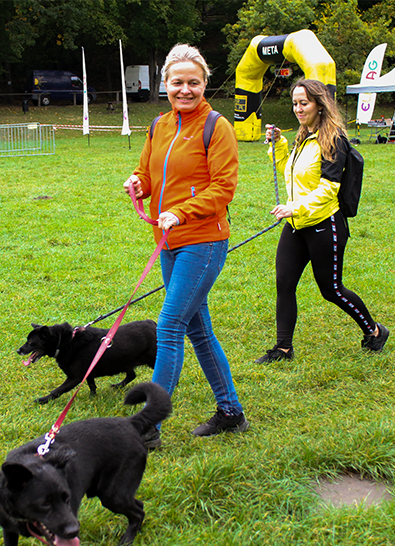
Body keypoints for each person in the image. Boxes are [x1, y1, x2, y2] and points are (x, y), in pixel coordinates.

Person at [123, 44, 247, 446]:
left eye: (193, 82)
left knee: (170, 326)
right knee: (198, 329)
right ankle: (231, 411)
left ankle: (148, 428)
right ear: (165, 84)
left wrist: (182, 211)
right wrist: (138, 182)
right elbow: (146, 170)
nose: (185, 89)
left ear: (205, 84)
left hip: (203, 241)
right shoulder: (159, 124)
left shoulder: (217, 126)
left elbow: (223, 188)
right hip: (168, 242)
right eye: (177, 82)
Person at [255, 78, 389, 364]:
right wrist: (278, 143)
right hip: (298, 224)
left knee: (331, 289)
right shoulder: (304, 136)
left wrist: (295, 207)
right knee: (284, 283)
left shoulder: (333, 139)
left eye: (304, 103)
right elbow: (289, 171)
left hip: (324, 225)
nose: (298, 109)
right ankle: (283, 349)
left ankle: (375, 331)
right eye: (295, 103)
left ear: (319, 104)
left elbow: (330, 187)